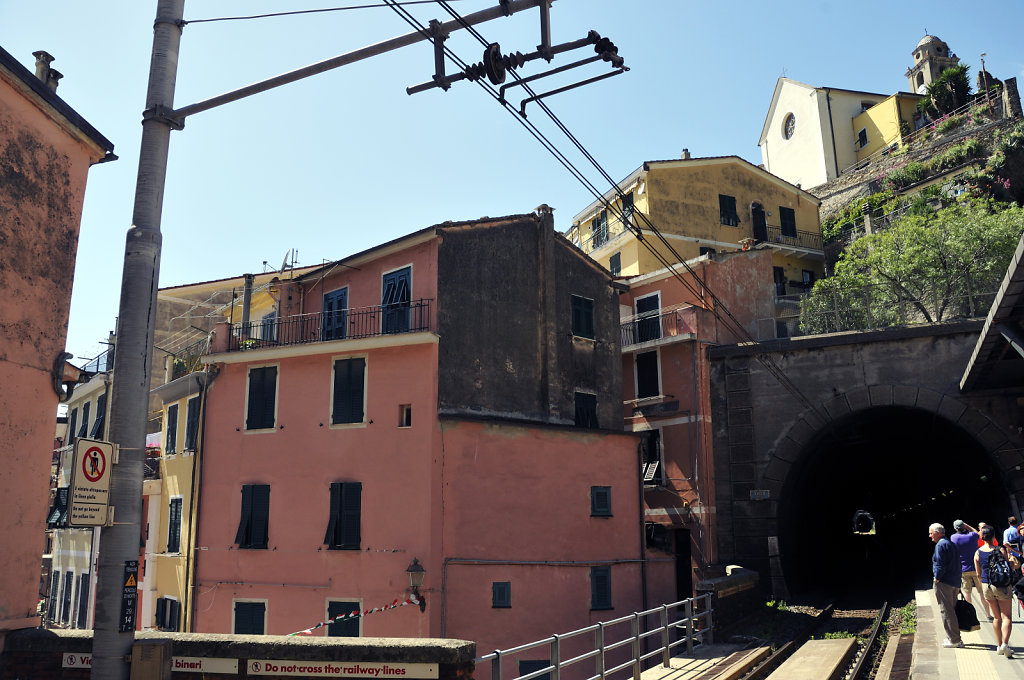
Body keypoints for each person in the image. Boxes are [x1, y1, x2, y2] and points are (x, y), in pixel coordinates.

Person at [975, 524, 1014, 658]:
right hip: (1002, 586)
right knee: (1007, 616)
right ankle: (1005, 644)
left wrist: (984, 585)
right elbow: (1008, 567)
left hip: (987, 585)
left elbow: (978, 574)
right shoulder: (1000, 550)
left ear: (982, 537)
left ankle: (998, 646)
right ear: (994, 536)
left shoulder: (978, 552)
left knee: (996, 617)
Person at [930, 522, 964, 648]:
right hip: (954, 581)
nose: (930, 536)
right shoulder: (950, 543)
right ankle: (955, 637)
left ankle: (954, 640)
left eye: (931, 533)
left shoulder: (940, 545)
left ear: (937, 533)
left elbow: (940, 564)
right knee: (952, 610)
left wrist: (937, 579)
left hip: (945, 582)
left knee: (947, 611)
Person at [951, 520, 993, 621]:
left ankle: (971, 615)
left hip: (963, 569)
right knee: (982, 593)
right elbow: (977, 533)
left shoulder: (954, 537)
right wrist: (967, 525)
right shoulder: (972, 536)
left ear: (956, 528)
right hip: (977, 567)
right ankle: (988, 615)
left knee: (967, 592)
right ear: (964, 526)